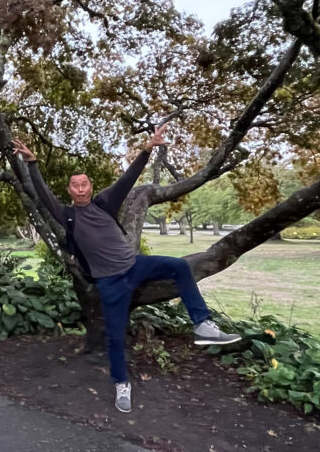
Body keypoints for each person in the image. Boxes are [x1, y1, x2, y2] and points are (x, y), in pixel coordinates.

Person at [12, 124, 241, 414]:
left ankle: (202, 324)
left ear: (90, 187)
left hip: (136, 265)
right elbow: (42, 196)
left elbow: (128, 178)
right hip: (110, 283)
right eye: (75, 185)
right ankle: (122, 383)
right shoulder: (67, 216)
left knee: (181, 267)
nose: (81, 189)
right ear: (70, 191)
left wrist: (147, 150)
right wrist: (32, 164)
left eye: (84, 184)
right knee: (116, 336)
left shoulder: (104, 204)